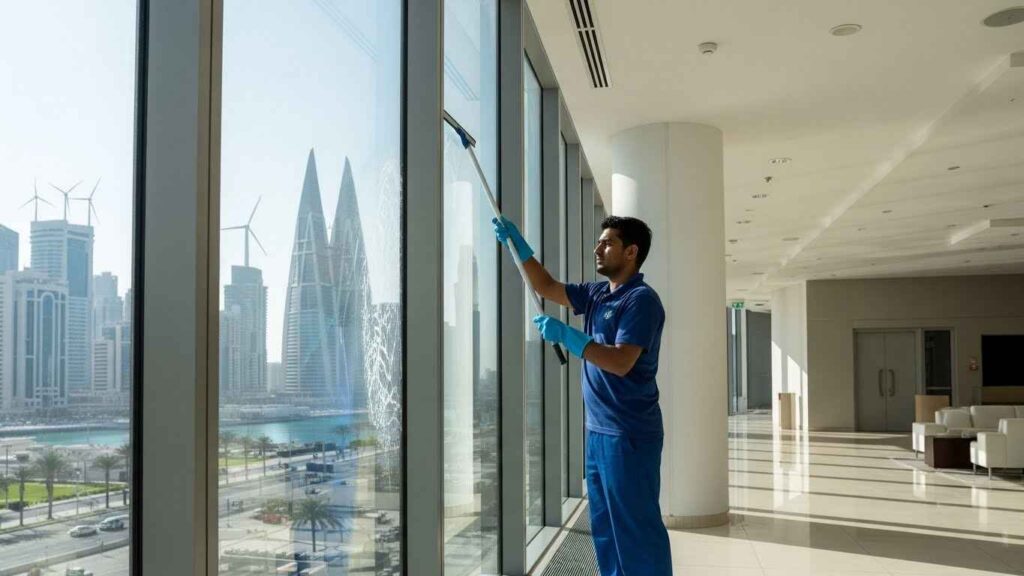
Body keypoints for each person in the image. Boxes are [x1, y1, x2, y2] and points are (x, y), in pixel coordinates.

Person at [493, 214, 671, 575]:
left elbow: (622, 361)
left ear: (632, 252)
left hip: (629, 433)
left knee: (636, 530)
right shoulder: (595, 294)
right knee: (605, 530)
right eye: (599, 241)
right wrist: (518, 248)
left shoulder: (641, 301)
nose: (598, 248)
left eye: (607, 242)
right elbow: (545, 287)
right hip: (598, 432)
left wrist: (570, 338)